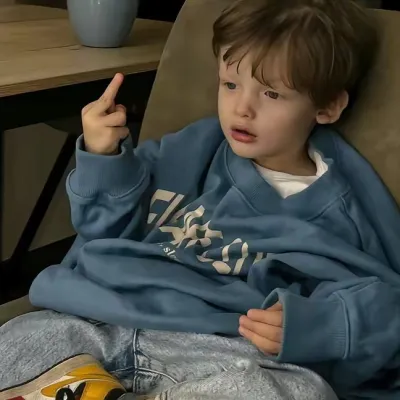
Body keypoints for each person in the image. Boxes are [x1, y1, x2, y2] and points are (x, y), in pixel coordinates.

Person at [2, 0, 400, 399]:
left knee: (297, 391)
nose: (242, 109)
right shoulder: (189, 149)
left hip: (221, 354)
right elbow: (100, 228)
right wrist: (102, 157)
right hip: (99, 321)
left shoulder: (342, 207)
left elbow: (382, 305)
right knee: (19, 343)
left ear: (327, 106)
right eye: (230, 85)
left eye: (272, 93)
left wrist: (315, 326)